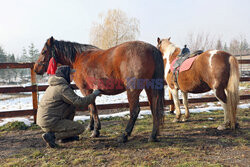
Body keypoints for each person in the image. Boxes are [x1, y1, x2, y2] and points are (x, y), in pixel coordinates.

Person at [37, 65, 101, 148]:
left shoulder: (54, 86)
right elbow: (80, 102)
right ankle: (52, 136)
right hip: (51, 122)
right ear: (65, 75)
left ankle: (66, 137)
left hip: (46, 120)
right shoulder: (62, 88)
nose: (73, 76)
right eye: (71, 74)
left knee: (71, 107)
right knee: (79, 128)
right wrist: (94, 94)